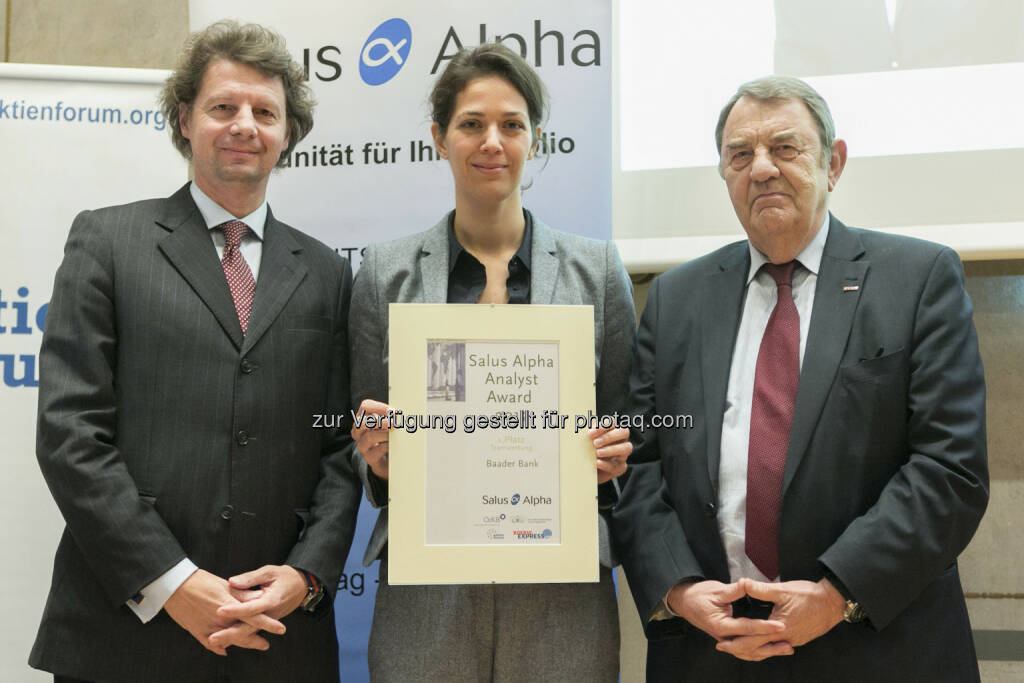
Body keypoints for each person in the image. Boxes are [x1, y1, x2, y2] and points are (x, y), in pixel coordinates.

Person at [612, 75, 988, 681]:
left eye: (784, 148)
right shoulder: (676, 299)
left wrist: (839, 594)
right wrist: (679, 588)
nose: (760, 169)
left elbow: (950, 468)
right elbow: (641, 461)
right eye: (740, 155)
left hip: (878, 645)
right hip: (714, 650)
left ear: (833, 163)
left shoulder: (918, 279)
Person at [30, 20, 361, 683]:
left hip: (277, 638)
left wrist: (306, 573)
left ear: (287, 132)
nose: (245, 124)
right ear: (184, 118)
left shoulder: (326, 272)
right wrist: (172, 582)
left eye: (265, 111)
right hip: (123, 636)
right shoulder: (108, 240)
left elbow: (340, 446)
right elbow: (71, 434)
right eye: (223, 106)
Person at [348, 43, 635, 681]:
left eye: (511, 125)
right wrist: (376, 456)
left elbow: (628, 431)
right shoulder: (382, 275)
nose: (492, 143)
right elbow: (357, 437)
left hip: (562, 593)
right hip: (427, 591)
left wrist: (614, 459)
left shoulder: (599, 273)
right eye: (471, 124)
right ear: (438, 138)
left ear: (535, 139)